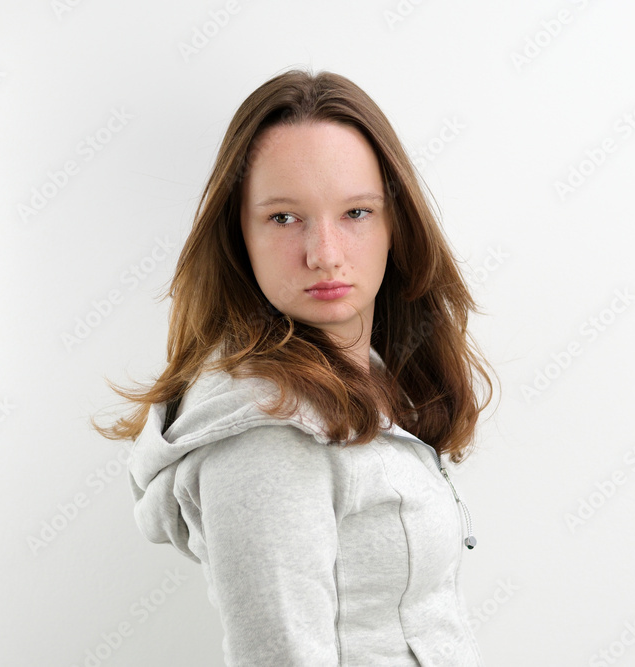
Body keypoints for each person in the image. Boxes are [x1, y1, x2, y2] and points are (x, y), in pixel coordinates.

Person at [92, 67, 498, 666]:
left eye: (356, 213)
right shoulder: (270, 437)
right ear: (240, 235)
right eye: (284, 218)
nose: (325, 255)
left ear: (395, 223)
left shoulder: (368, 375)